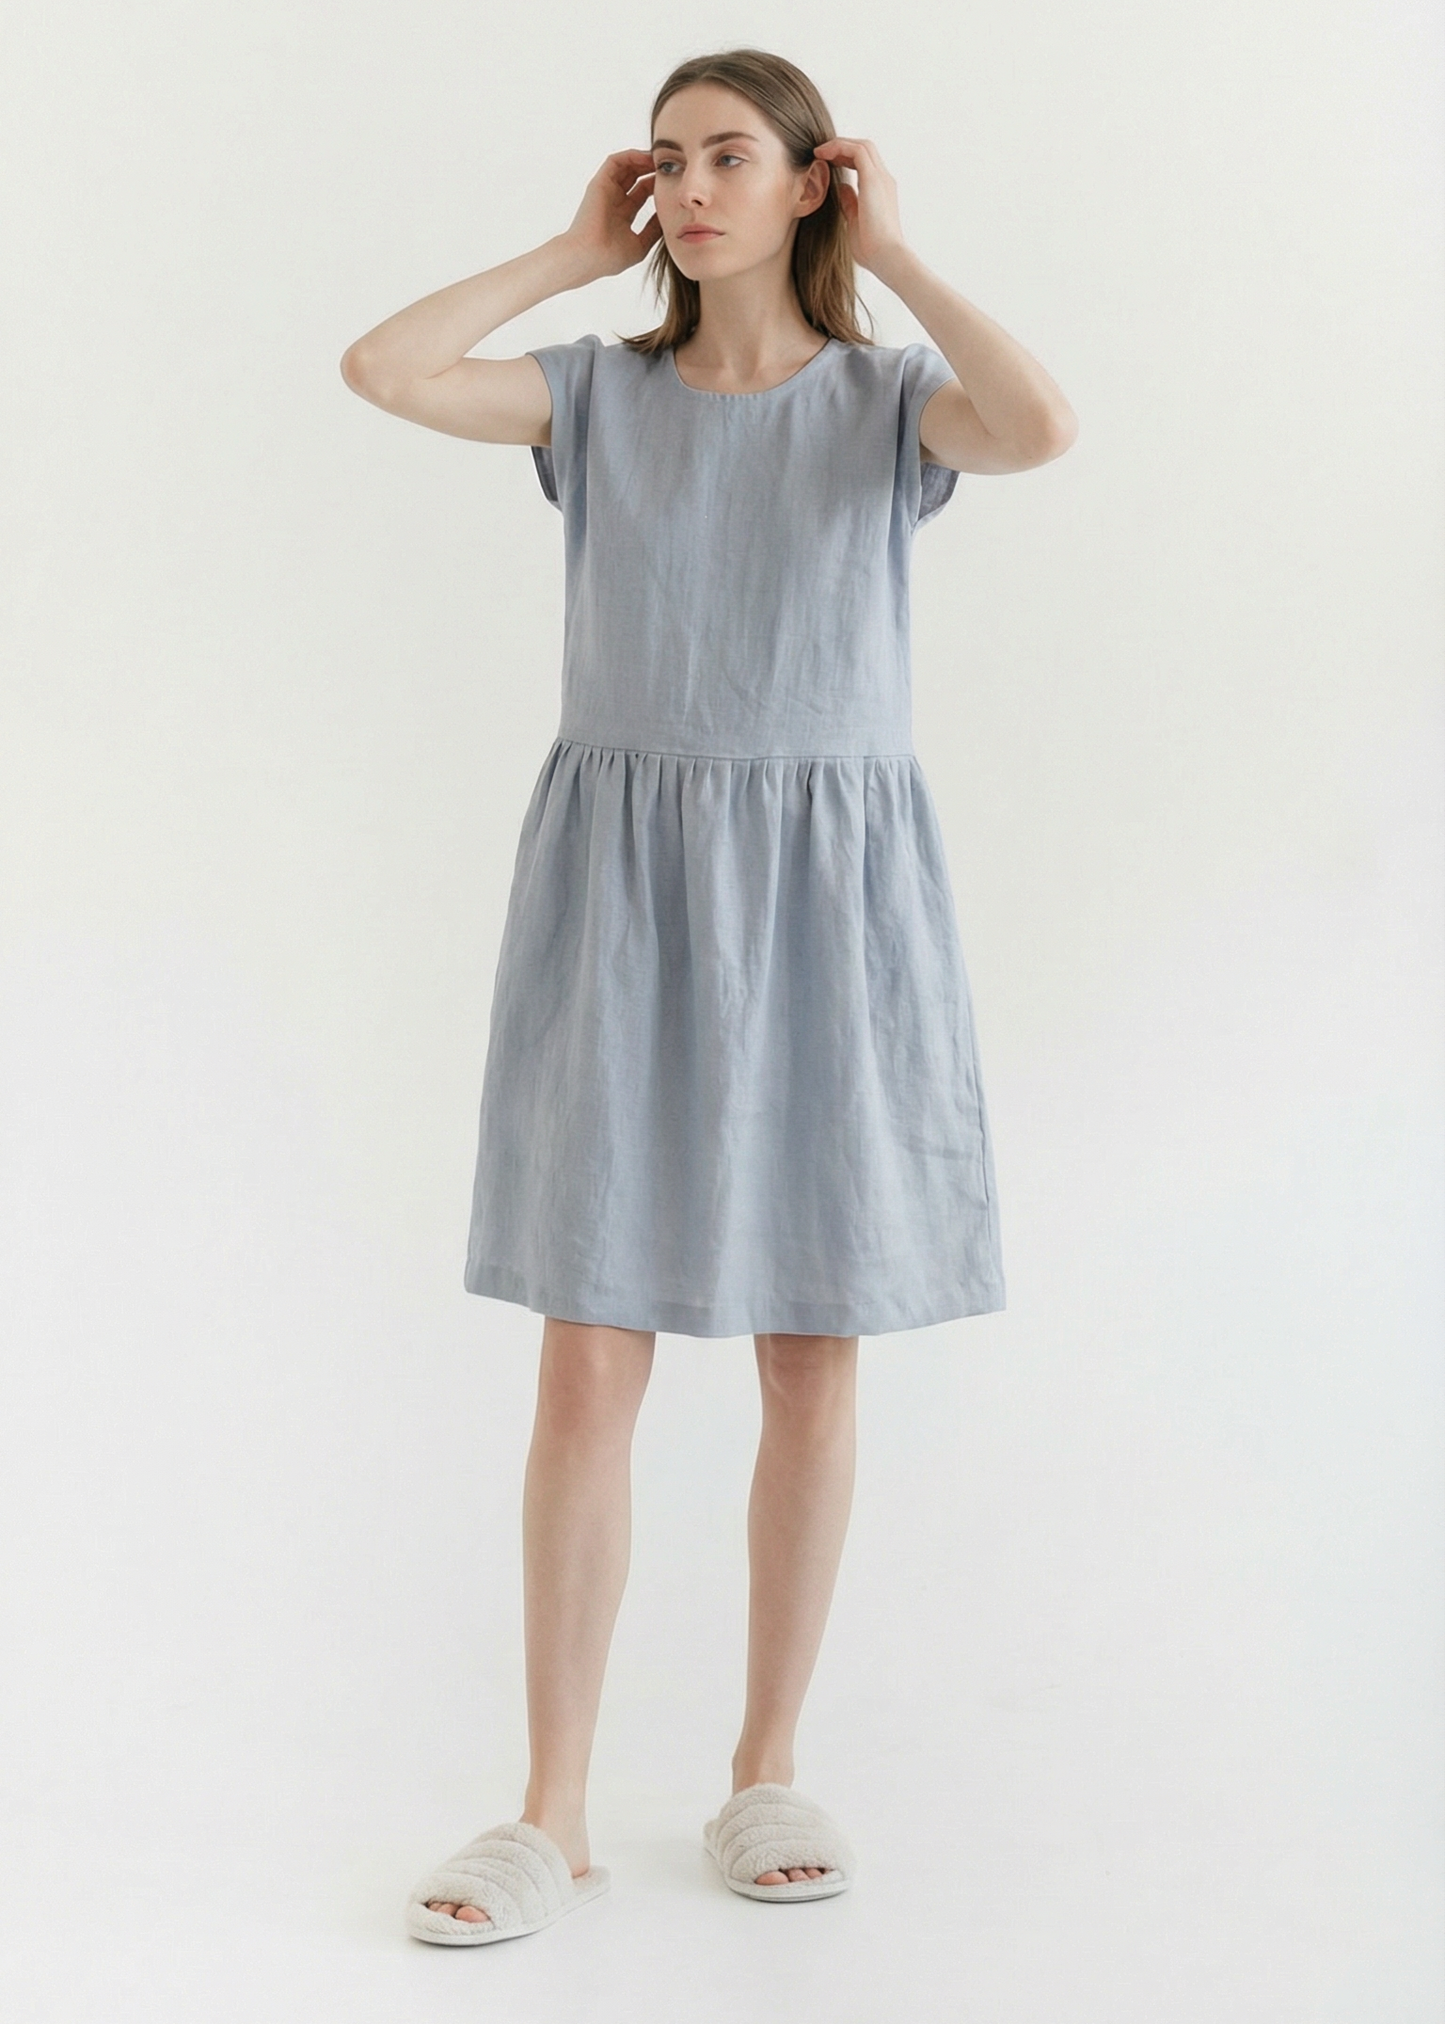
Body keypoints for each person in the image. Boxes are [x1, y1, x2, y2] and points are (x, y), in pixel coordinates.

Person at [340, 46, 1077, 1946]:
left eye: (726, 155)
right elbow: (385, 369)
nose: (686, 189)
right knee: (590, 1358)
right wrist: (561, 250)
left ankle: (766, 1766)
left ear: (812, 176)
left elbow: (1046, 422)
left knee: (810, 1348)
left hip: (827, 908)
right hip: (625, 901)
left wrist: (897, 253)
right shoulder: (595, 398)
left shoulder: (888, 406)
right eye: (666, 162)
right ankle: (553, 1808)